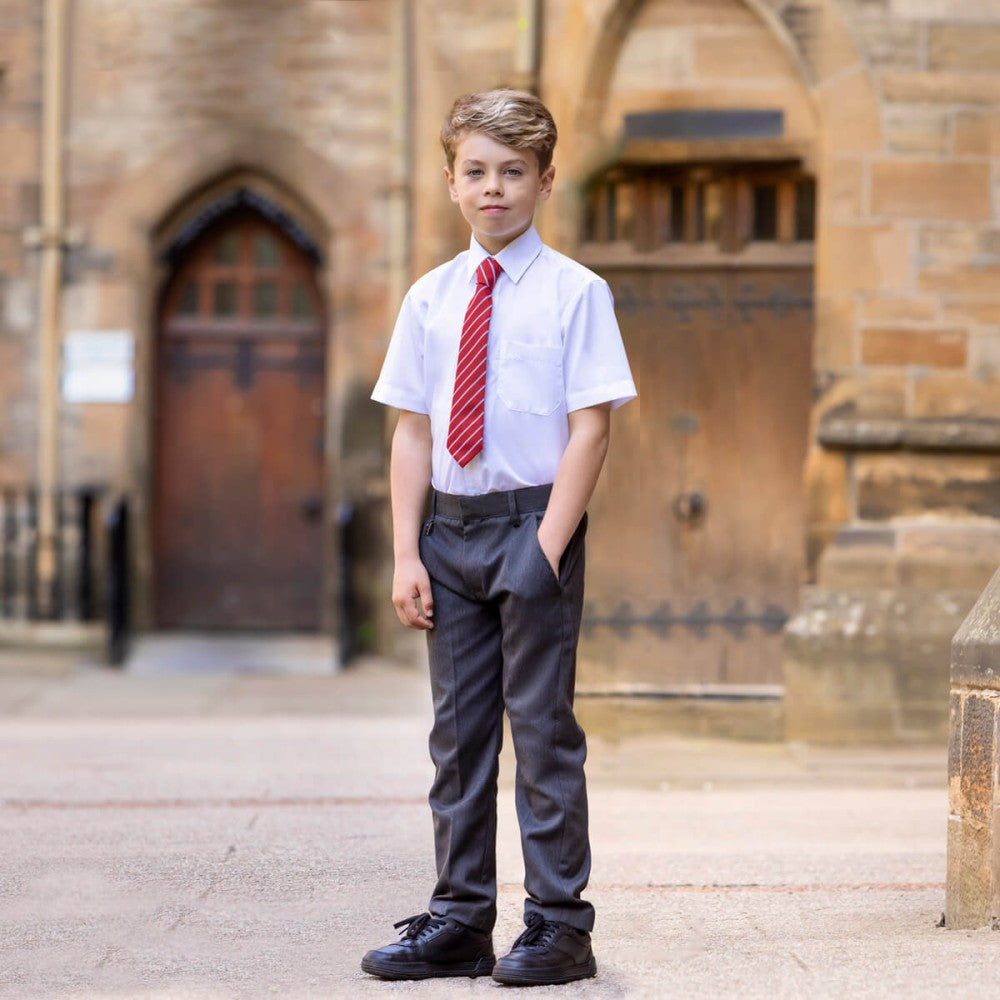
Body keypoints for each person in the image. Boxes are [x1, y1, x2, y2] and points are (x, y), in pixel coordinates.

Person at [363, 88, 636, 987]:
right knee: (459, 737)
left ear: (545, 181)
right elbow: (411, 429)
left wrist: (548, 548)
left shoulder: (575, 294)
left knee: (545, 733)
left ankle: (560, 926)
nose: (494, 189)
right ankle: (458, 917)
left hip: (532, 525)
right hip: (448, 531)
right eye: (476, 172)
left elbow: (591, 427)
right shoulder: (432, 299)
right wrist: (407, 552)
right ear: (450, 181)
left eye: (513, 173)